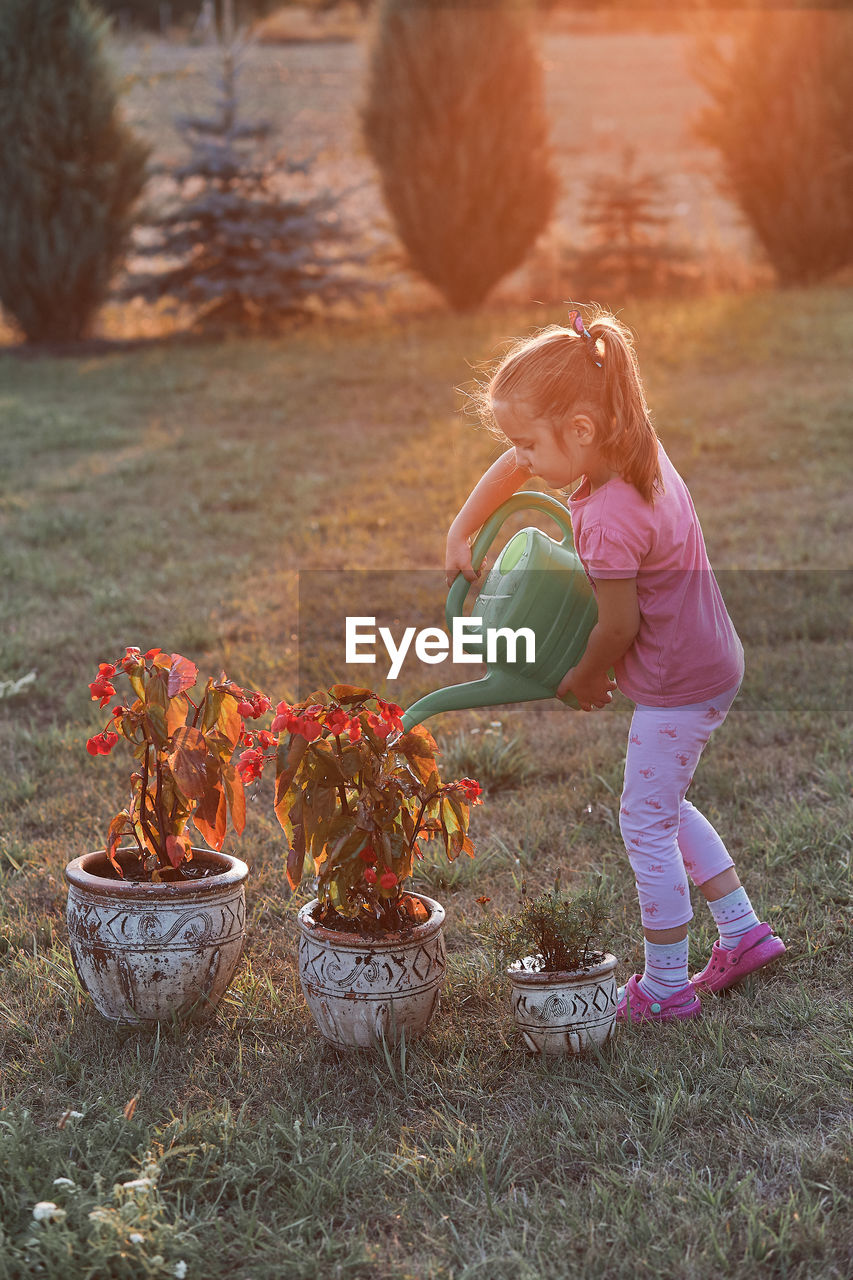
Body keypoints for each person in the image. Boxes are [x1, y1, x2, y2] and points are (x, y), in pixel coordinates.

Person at [445, 309, 786, 1022]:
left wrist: (586, 675)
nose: (521, 459)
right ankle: (744, 933)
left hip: (677, 685)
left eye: (528, 443)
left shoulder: (607, 517)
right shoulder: (631, 442)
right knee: (664, 805)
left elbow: (617, 624)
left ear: (578, 431)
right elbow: (518, 464)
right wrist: (463, 525)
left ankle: (664, 987)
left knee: (642, 822)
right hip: (707, 662)